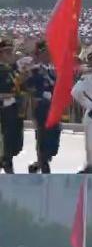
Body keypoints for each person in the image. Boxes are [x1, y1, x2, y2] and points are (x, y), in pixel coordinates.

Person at [25, 40, 61, 174]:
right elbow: (28, 86)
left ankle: (37, 165)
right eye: (45, 53)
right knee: (43, 140)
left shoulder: (52, 70)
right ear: (39, 54)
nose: (48, 55)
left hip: (53, 108)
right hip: (41, 108)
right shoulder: (34, 70)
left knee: (53, 142)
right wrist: (40, 95)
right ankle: (44, 168)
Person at [0, 38, 25, 173]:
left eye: (11, 51)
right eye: (7, 52)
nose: (10, 54)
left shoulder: (11, 69)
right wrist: (6, 97)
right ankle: (7, 163)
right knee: (6, 142)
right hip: (3, 110)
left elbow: (19, 87)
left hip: (14, 109)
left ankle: (6, 161)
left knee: (16, 142)